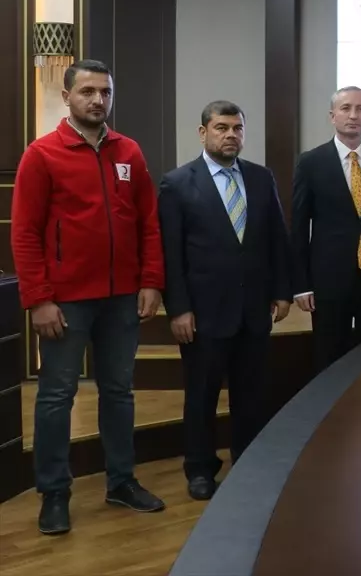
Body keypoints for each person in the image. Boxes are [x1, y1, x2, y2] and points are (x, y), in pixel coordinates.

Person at [10, 59, 166, 535]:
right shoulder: (42, 154)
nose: (98, 100)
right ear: (67, 97)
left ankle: (121, 481)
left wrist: (151, 280)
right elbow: (25, 233)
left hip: (122, 298)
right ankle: (54, 493)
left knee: (119, 391)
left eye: (105, 92)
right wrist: (38, 299)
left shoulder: (129, 151)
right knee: (56, 397)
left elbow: (148, 222)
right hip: (66, 302)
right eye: (88, 92)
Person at [157, 101, 292, 500]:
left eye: (237, 128)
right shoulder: (177, 183)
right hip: (203, 313)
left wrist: (282, 291)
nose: (231, 135)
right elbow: (171, 253)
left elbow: (277, 239)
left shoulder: (261, 177)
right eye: (221, 128)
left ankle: (247, 461)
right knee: (202, 395)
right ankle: (200, 469)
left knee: (251, 394)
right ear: (203, 133)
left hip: (254, 310)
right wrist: (178, 308)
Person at [291, 87, 361, 370]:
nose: (354, 115)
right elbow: (299, 226)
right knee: (329, 357)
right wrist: (301, 284)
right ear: (332, 116)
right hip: (329, 280)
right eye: (346, 108)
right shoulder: (311, 162)